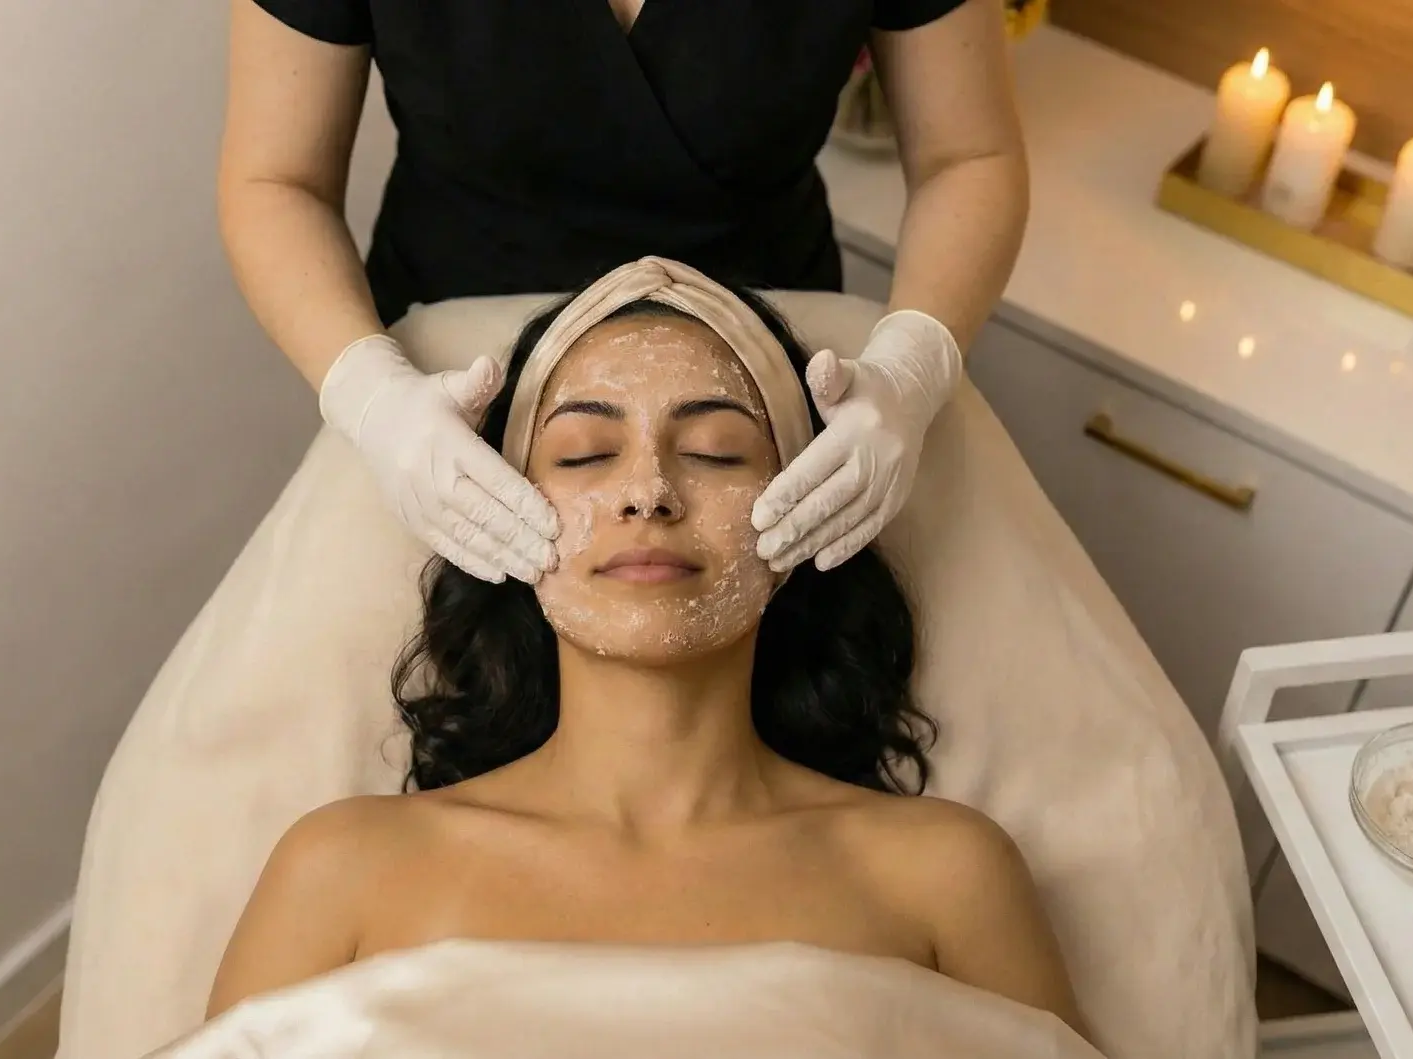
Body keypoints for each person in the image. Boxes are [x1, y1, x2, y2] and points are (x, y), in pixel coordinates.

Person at [202, 261, 1081, 1037]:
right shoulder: (342, 868)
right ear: (489, 511)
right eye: (584, 455)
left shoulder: (945, 874)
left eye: (716, 450)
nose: (648, 492)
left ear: (823, 504)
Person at [217, 0, 1029, 589]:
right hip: (450, 398)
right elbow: (274, 180)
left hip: (762, 404)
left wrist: (913, 366)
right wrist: (373, 398)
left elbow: (971, 157)